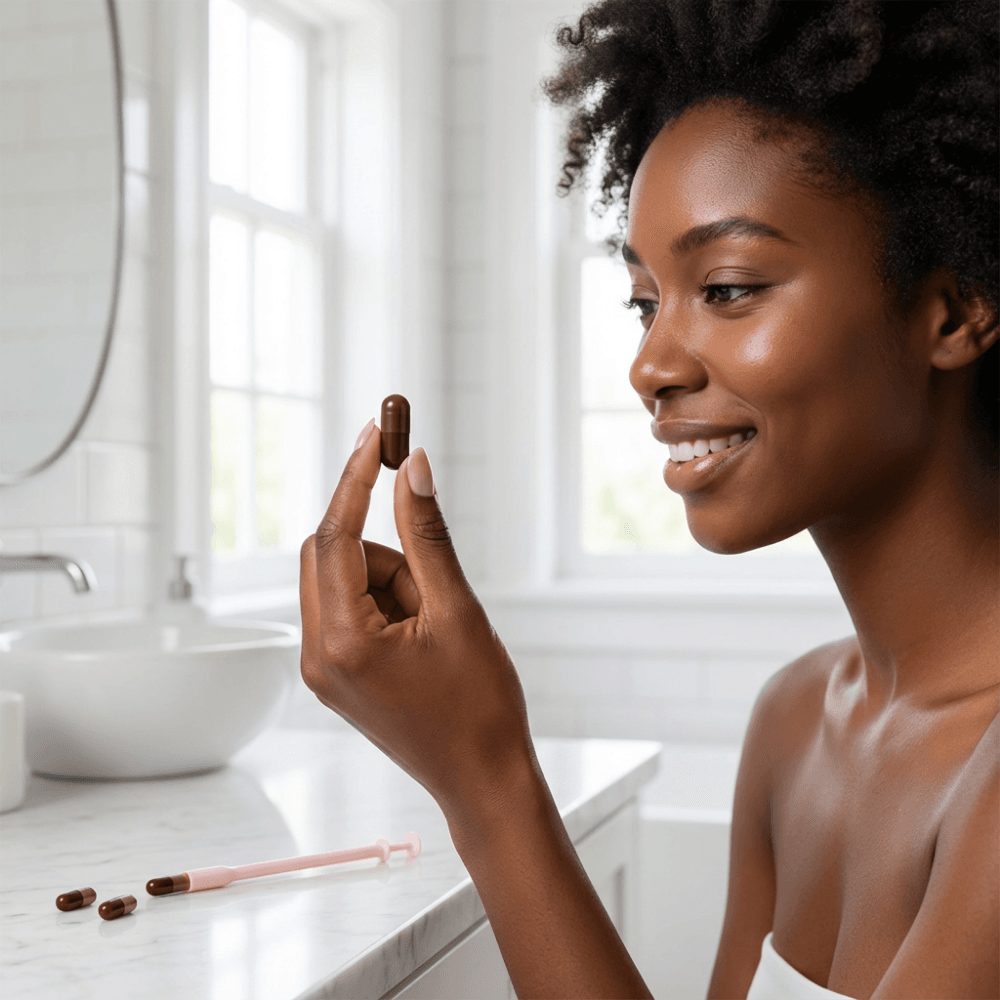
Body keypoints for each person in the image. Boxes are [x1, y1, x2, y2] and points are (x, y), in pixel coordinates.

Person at [298, 1, 999, 996]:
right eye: (643, 301)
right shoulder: (796, 721)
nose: (649, 364)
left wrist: (487, 781)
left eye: (727, 286)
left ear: (956, 306)